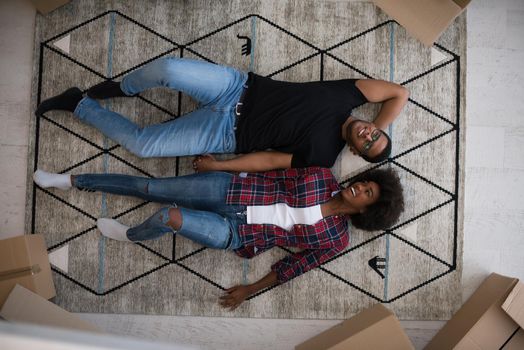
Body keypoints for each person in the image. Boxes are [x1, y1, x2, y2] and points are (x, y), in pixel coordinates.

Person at [33, 166, 404, 309]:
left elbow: (294, 266)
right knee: (152, 187)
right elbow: (272, 167)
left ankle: (131, 235)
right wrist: (223, 166)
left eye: (368, 194)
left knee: (168, 216)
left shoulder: (337, 240)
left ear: (367, 213)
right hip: (230, 191)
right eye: (364, 182)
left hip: (239, 234)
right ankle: (71, 181)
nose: (359, 188)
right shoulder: (323, 177)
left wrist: (249, 290)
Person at [36, 57, 409, 172]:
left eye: (368, 144)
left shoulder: (324, 157)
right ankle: (125, 88)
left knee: (144, 146)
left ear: (356, 153)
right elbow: (399, 92)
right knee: (170, 69)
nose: (368, 136)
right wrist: (378, 127)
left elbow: (268, 160)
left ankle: (78, 104)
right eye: (375, 134)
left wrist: (219, 165)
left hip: (225, 133)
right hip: (236, 87)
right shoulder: (349, 96)